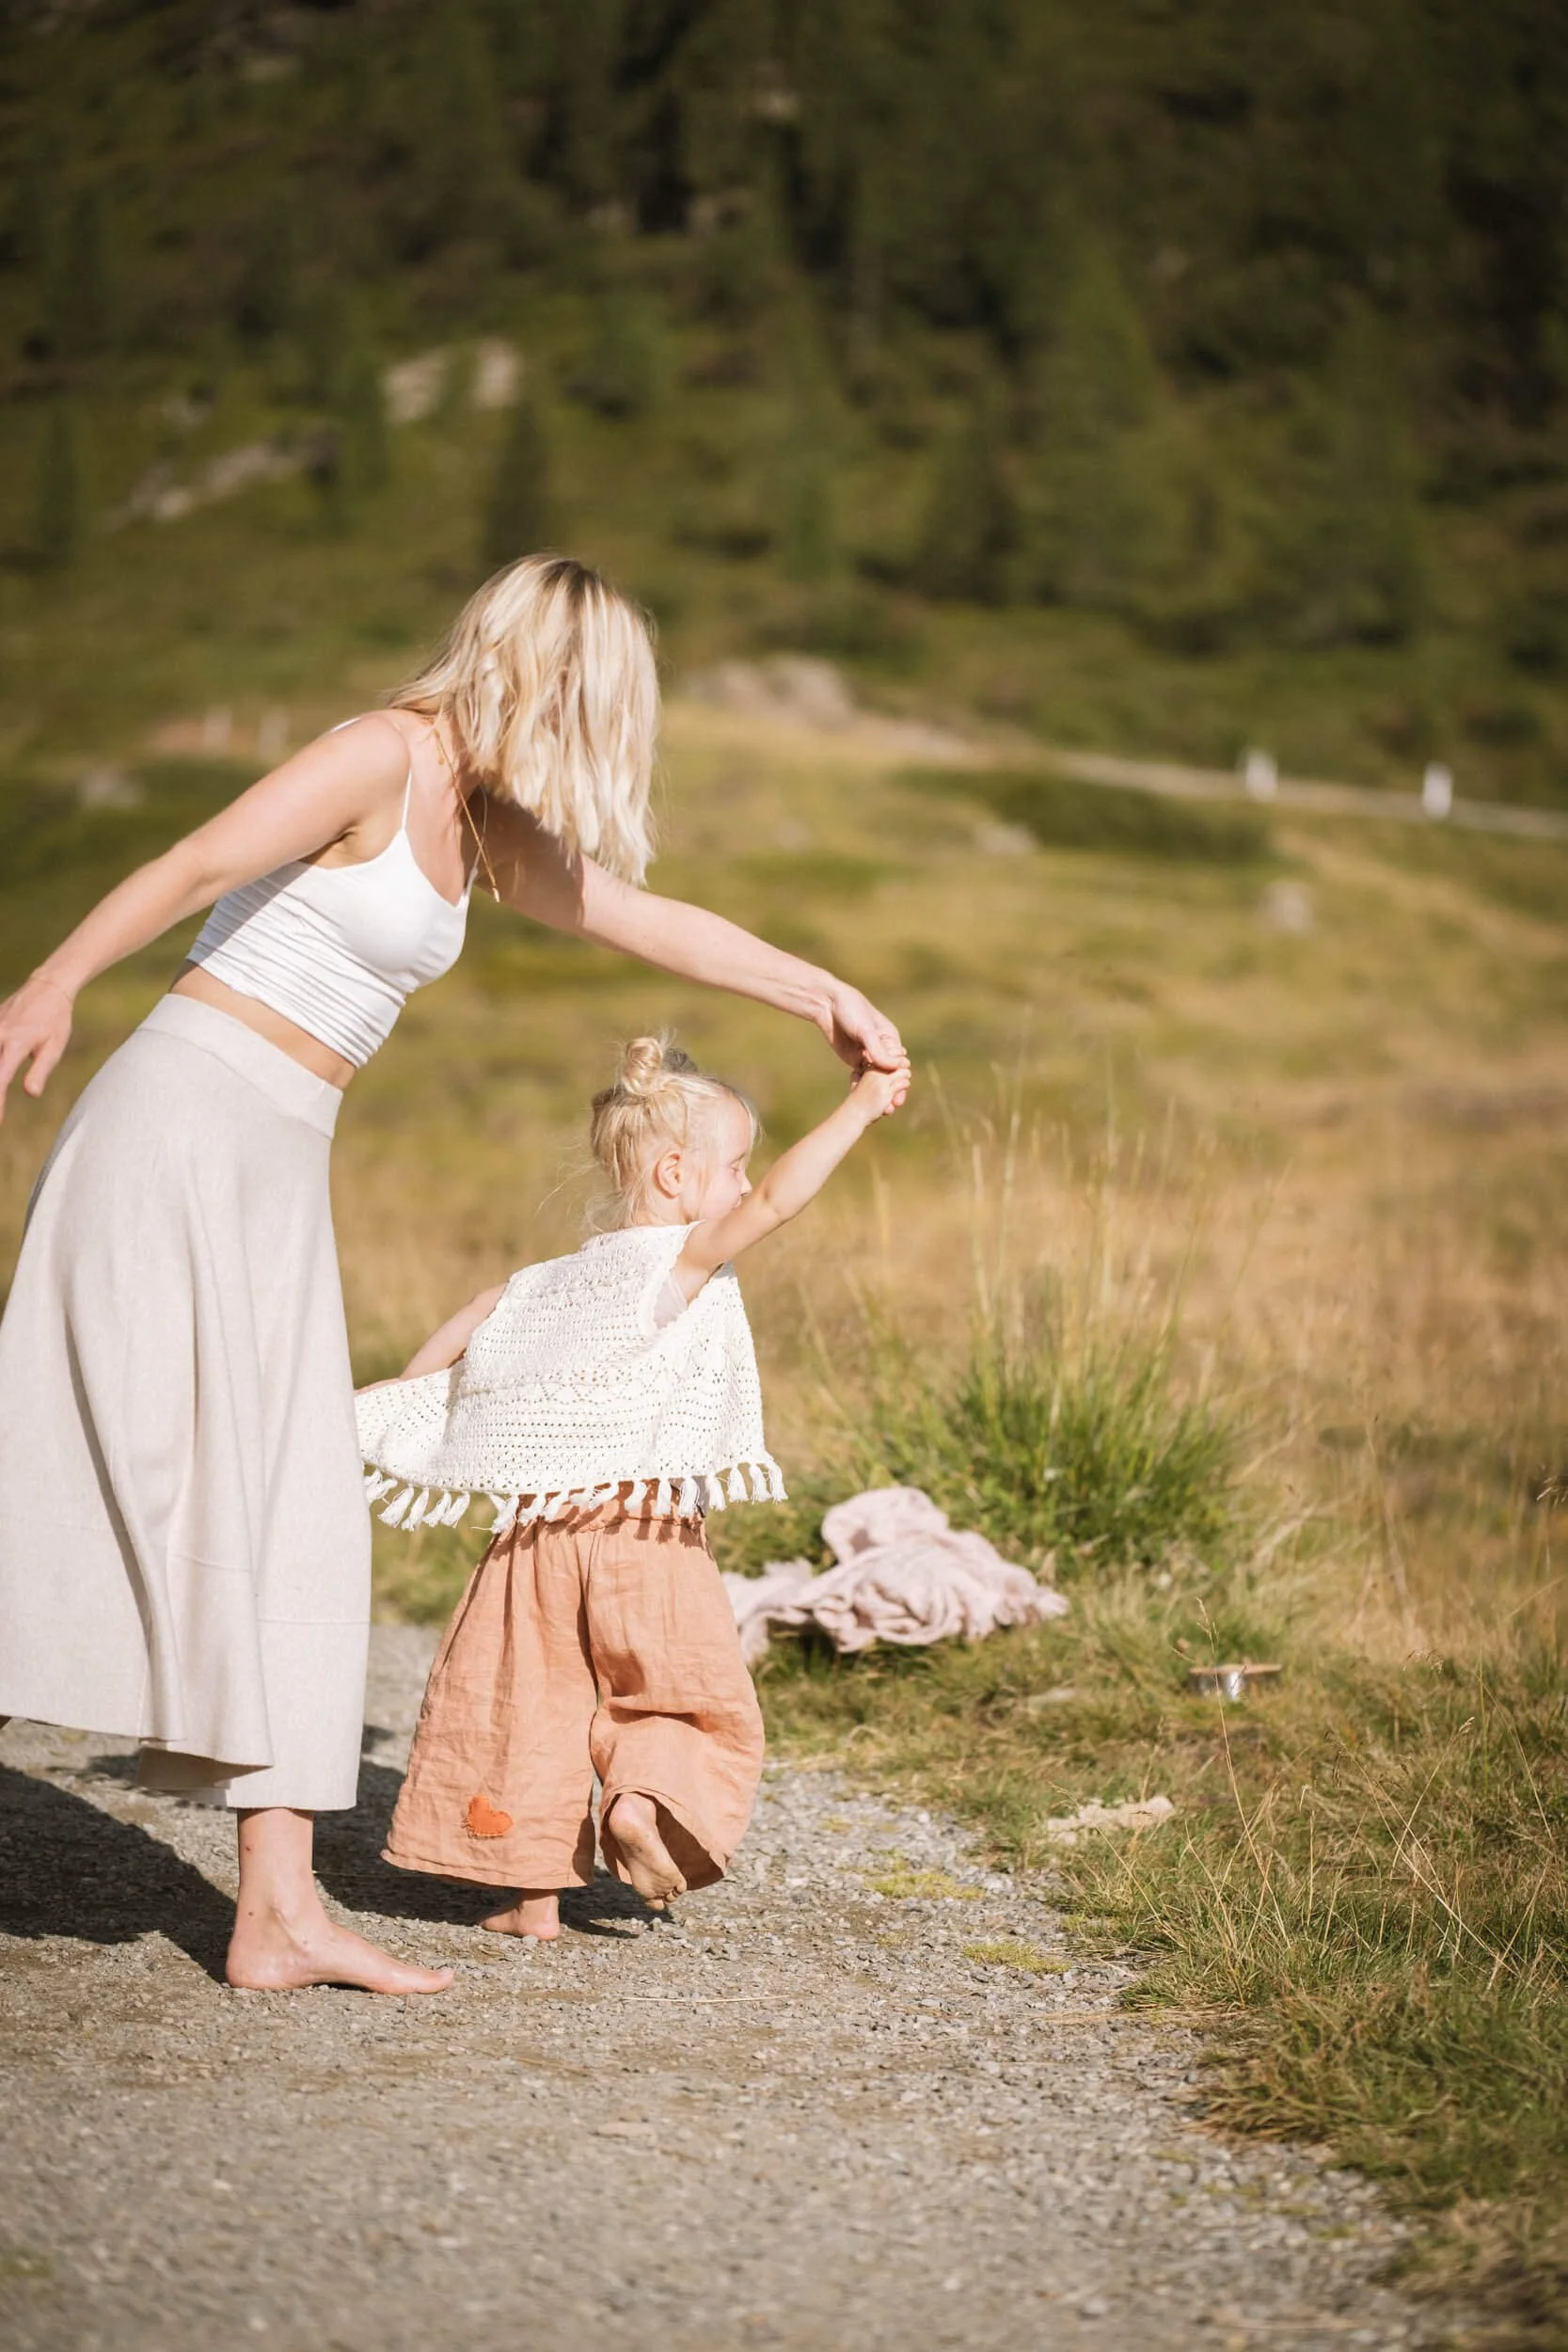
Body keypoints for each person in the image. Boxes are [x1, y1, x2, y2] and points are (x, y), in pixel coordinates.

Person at [0, 554, 904, 1997]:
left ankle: (277, 1915)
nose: (588, 743)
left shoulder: (483, 824)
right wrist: (51, 982)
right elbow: (194, 867)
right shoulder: (378, 754)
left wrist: (820, 995)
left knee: (298, 1514)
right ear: (534, 671)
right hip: (178, 1118)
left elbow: (639, 918)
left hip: (280, 1153)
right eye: (587, 707)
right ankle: (271, 1900)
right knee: (93, 1463)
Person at [358, 1033, 908, 1938]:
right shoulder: (678, 1261)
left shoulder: (530, 1286)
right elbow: (781, 1200)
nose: (744, 1185)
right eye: (733, 1168)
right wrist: (858, 1106)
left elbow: (430, 1377)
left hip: (530, 1543)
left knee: (525, 1709)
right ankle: (642, 1802)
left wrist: (392, 1420)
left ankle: (529, 1899)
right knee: (675, 1691)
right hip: (641, 1533)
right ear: (674, 1174)